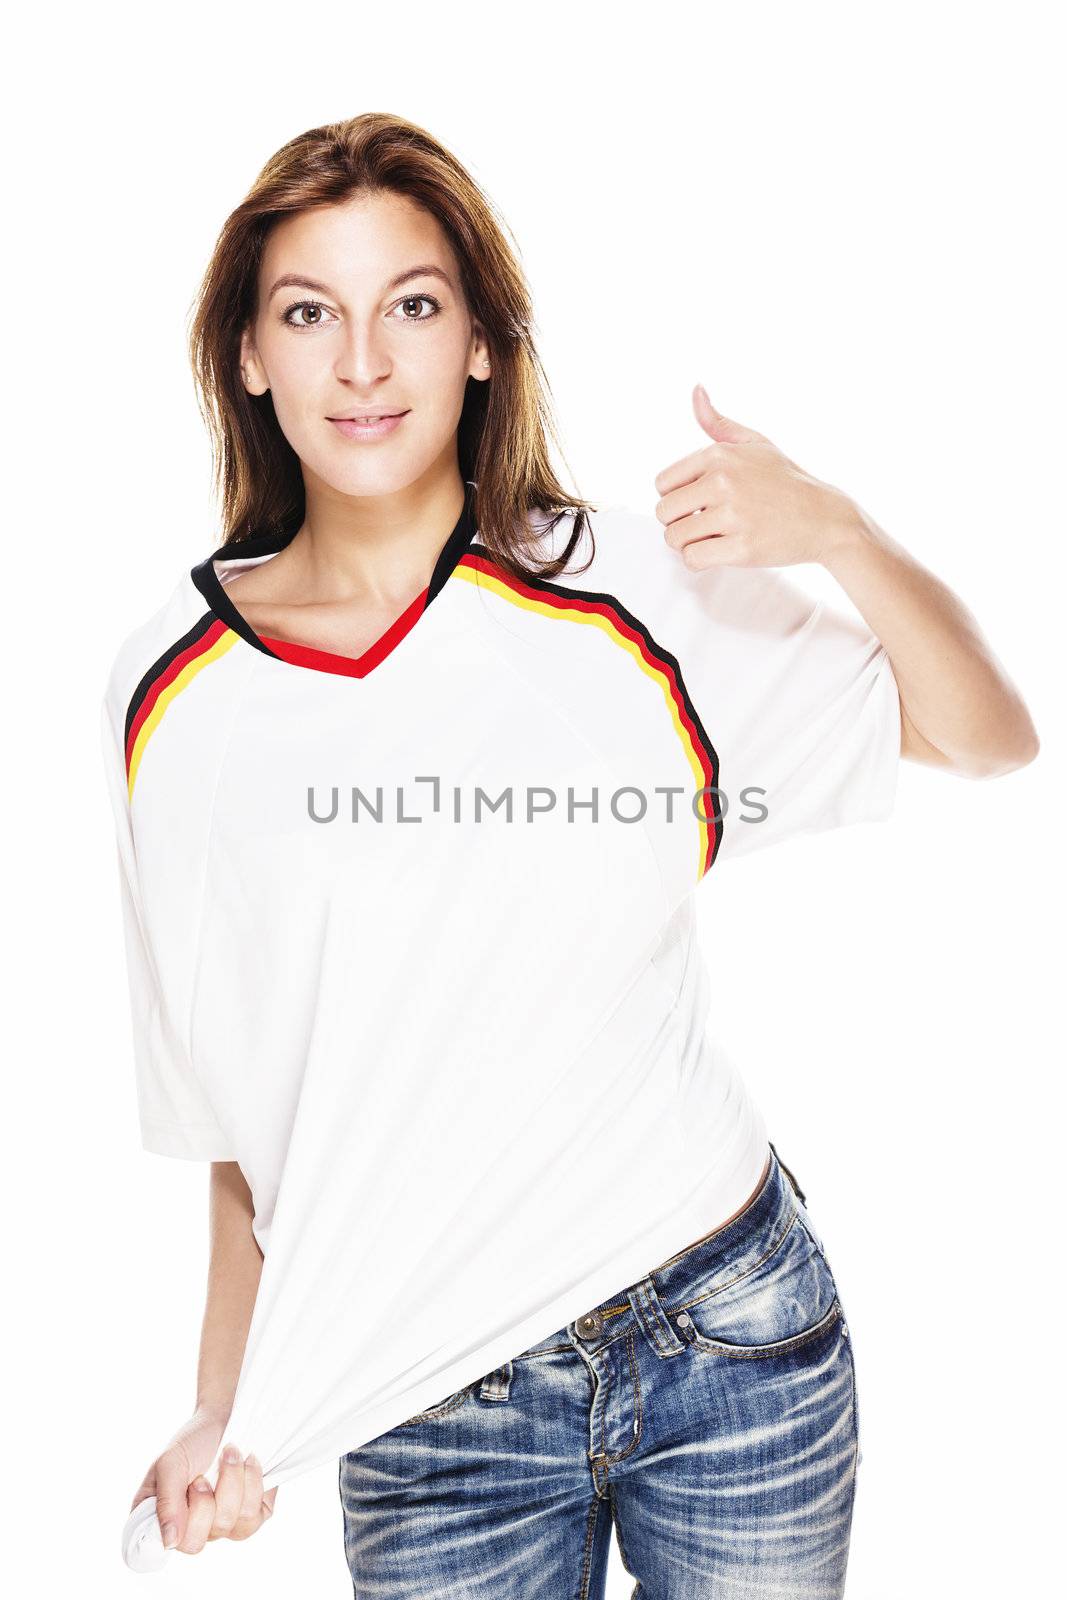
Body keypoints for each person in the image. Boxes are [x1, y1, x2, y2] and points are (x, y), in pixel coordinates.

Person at [103, 112, 1038, 1592]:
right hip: (426, 1396)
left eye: (412, 305)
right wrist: (227, 1405)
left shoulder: (629, 595)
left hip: (727, 1334)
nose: (363, 363)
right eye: (309, 313)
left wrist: (840, 532)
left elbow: (991, 738)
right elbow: (244, 1114)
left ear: (480, 342)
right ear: (247, 356)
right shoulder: (172, 693)